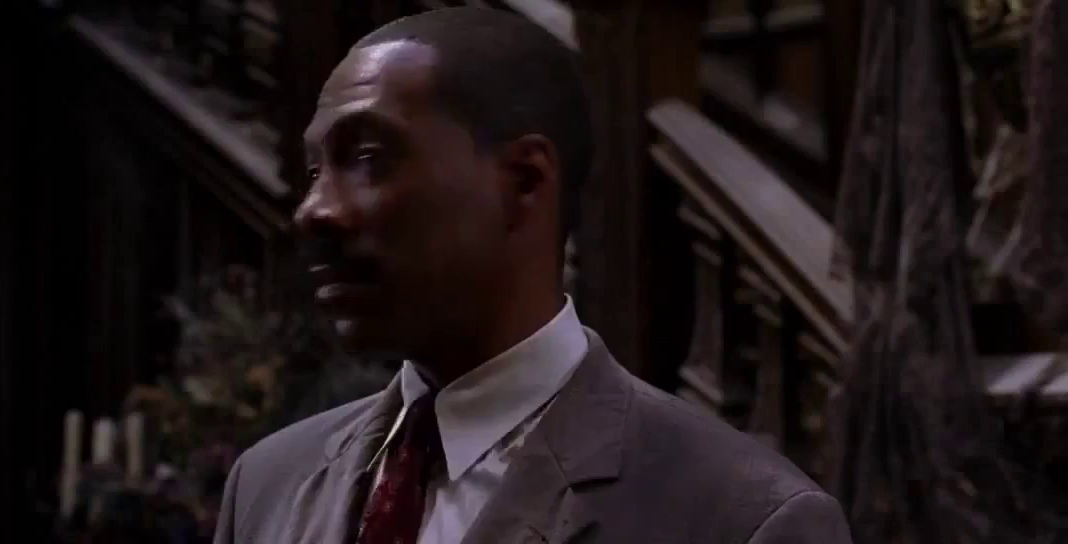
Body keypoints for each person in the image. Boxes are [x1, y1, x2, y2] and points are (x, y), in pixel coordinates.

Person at [214, 7, 851, 543]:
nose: (314, 210)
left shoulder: (741, 519)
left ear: (523, 181)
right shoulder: (267, 484)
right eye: (315, 171)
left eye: (369, 157)